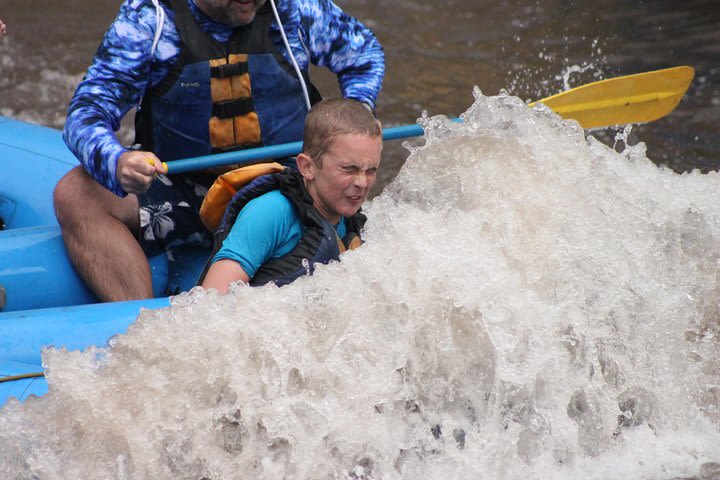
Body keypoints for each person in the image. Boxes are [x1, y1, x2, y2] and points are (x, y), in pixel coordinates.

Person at [54, 0, 384, 302]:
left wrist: (356, 115)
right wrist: (117, 161)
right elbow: (86, 112)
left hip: (288, 181)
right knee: (76, 194)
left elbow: (364, 53)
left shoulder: (293, 8)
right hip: (185, 184)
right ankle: (140, 326)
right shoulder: (149, 20)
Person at [201, 97, 381, 293]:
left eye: (371, 170)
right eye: (349, 169)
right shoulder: (269, 212)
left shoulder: (354, 218)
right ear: (308, 167)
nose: (362, 183)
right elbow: (211, 302)